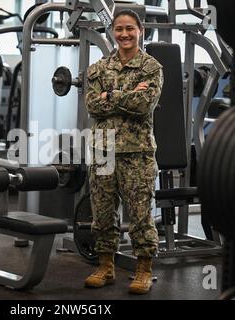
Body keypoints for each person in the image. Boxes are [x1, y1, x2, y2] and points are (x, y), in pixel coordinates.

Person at [84, 10, 163, 295]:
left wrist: (110, 95)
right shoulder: (98, 68)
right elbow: (92, 106)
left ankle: (143, 270)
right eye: (119, 29)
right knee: (103, 214)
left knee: (140, 214)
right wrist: (127, 94)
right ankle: (105, 266)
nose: (124, 34)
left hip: (137, 152)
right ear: (112, 32)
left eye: (130, 28)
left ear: (140, 30)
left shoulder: (151, 68)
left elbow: (145, 105)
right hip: (103, 150)